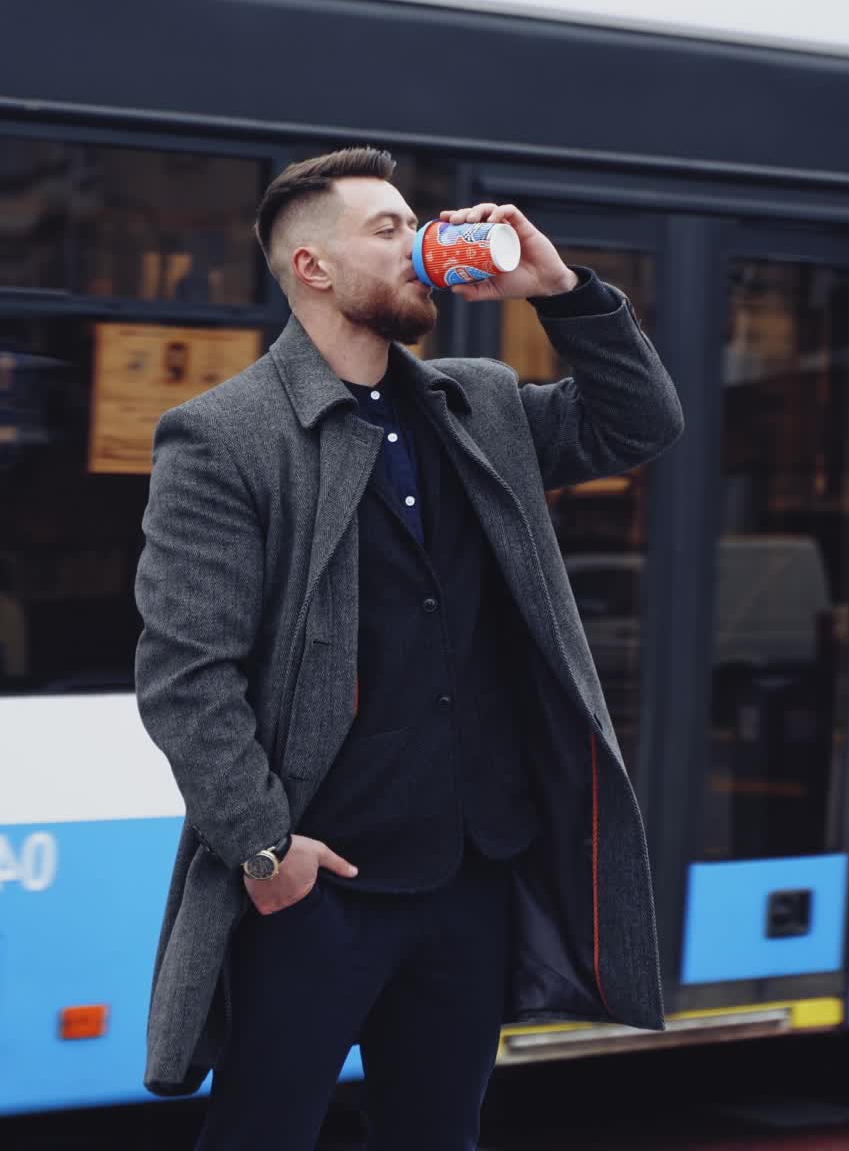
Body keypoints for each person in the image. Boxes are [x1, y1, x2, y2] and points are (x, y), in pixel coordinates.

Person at [133, 148, 684, 1151]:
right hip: (317, 884)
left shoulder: (477, 402)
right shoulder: (224, 436)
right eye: (387, 229)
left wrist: (558, 289)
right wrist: (264, 847)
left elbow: (639, 421)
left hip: (469, 876)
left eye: (415, 222)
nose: (419, 244)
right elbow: (183, 675)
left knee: (438, 1131)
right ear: (312, 267)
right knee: (263, 1130)